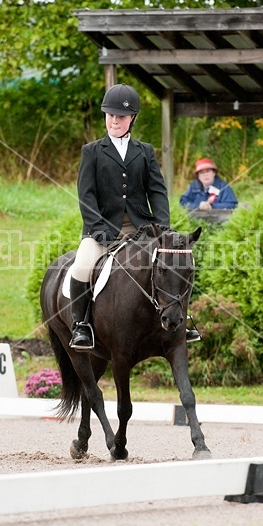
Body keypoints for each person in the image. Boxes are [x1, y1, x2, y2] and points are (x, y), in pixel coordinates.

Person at [69, 83, 200, 349]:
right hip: (102, 228)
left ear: (132, 119)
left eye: (121, 116)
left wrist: (162, 229)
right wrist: (97, 230)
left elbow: (157, 191)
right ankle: (80, 325)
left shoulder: (145, 151)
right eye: (110, 115)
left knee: (176, 264)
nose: (114, 121)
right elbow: (87, 195)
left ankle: (182, 319)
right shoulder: (91, 151)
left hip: (143, 229)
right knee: (82, 265)